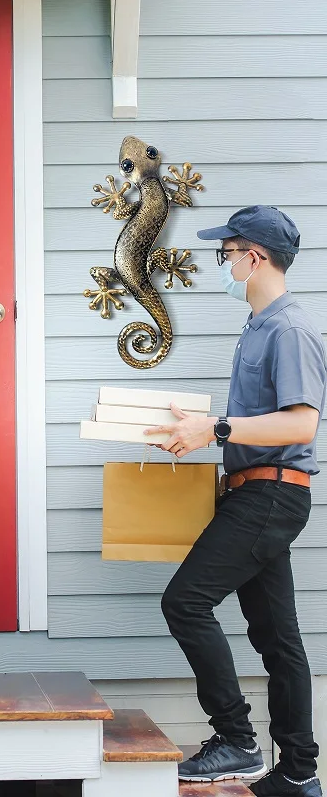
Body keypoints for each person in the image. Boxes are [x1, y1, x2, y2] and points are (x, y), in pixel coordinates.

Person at [142, 206, 326, 797]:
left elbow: (301, 425)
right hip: (256, 492)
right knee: (278, 640)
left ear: (254, 257)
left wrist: (215, 431)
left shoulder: (289, 330)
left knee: (185, 604)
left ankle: (237, 743)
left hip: (271, 496)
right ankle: (299, 774)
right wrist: (197, 426)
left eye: (226, 253)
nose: (221, 263)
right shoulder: (259, 325)